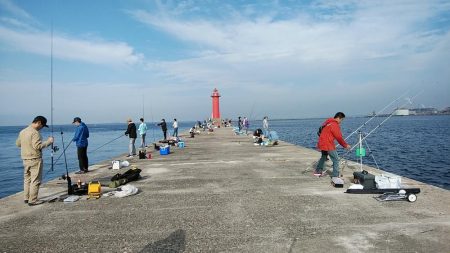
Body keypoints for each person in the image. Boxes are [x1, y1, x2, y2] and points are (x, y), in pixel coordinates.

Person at [16, 116, 54, 206]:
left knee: (27, 179)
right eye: (42, 125)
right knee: (35, 180)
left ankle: (26, 198)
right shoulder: (35, 133)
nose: (42, 128)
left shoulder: (23, 131)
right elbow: (38, 146)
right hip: (35, 159)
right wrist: (49, 141)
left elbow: (18, 144)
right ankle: (32, 200)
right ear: (39, 123)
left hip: (25, 159)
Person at [314, 112, 351, 178]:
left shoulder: (328, 123)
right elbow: (339, 137)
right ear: (339, 118)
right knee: (336, 159)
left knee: (324, 157)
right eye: (341, 120)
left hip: (322, 143)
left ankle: (318, 172)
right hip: (328, 144)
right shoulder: (334, 125)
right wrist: (345, 145)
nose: (341, 122)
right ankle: (335, 176)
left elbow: (321, 132)